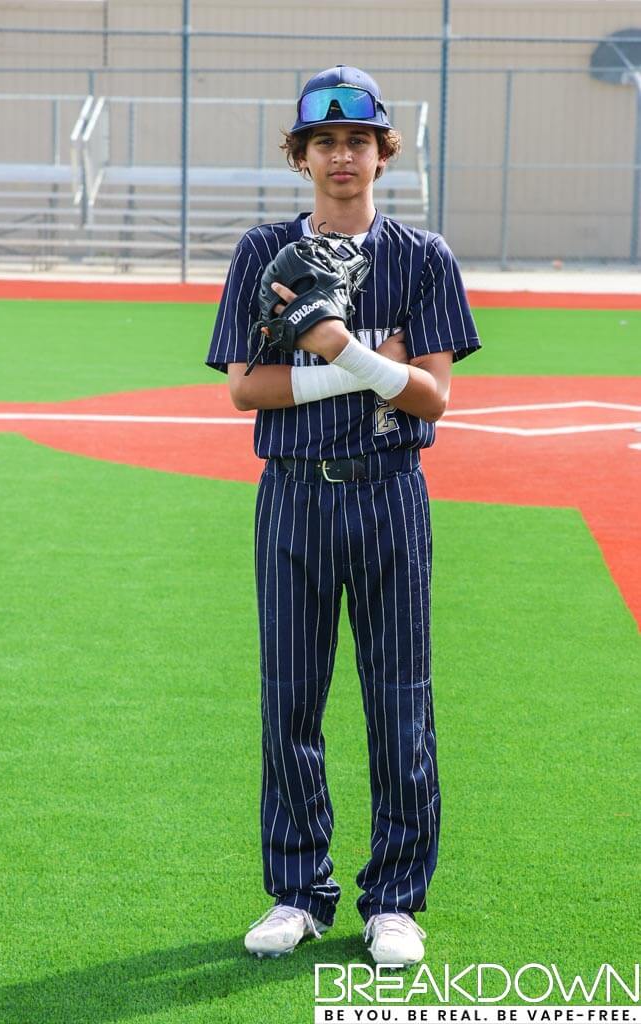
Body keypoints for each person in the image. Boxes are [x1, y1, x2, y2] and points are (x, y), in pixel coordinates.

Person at [206, 65, 481, 965]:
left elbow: (432, 398)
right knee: (290, 701)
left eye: (357, 140)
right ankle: (297, 892)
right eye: (322, 141)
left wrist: (333, 344)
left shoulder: (423, 256)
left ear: (382, 152)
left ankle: (394, 899)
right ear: (300, 155)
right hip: (292, 494)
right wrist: (361, 362)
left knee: (400, 703)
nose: (340, 156)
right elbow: (245, 389)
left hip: (390, 492)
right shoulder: (262, 250)